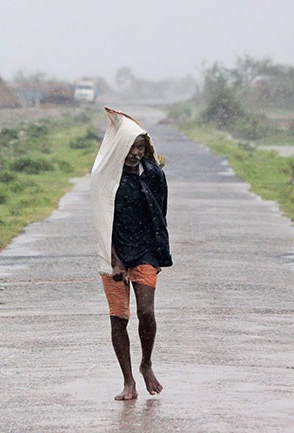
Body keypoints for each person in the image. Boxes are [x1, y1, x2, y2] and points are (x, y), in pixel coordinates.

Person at [90, 107, 172, 401]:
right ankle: (128, 381)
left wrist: (159, 254)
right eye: (130, 146)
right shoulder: (104, 177)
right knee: (119, 319)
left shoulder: (153, 174)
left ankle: (146, 364)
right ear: (119, 148)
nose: (135, 152)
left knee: (146, 312)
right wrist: (114, 260)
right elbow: (102, 220)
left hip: (146, 251)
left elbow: (160, 214)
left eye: (140, 146)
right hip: (115, 254)